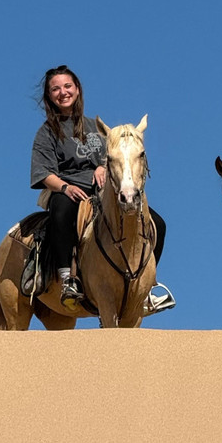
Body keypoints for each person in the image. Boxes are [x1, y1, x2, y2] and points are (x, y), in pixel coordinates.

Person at [29, 65, 174, 315]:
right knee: (62, 213)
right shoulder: (46, 133)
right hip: (68, 190)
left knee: (157, 224)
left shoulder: (94, 127)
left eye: (67, 86)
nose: (63, 92)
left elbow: (116, 158)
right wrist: (65, 187)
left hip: (102, 191)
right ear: (49, 96)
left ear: (77, 89)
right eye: (56, 89)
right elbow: (43, 173)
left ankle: (147, 286)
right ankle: (68, 279)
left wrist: (103, 167)